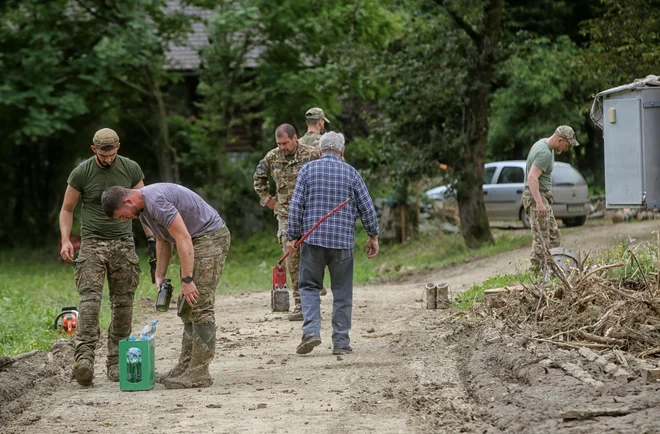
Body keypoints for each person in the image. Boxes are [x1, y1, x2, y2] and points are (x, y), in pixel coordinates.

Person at [101, 183, 230, 389]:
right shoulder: (143, 211)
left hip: (209, 238)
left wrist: (187, 281)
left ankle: (199, 373)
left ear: (128, 201)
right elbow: (163, 239)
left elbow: (183, 237)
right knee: (186, 307)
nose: (125, 220)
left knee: (199, 303)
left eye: (122, 215)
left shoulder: (156, 201)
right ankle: (185, 366)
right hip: (194, 240)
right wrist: (160, 274)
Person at [59, 128, 153, 386]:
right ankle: (84, 360)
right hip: (92, 243)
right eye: (103, 153)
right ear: (94, 150)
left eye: (112, 153)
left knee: (123, 304)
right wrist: (66, 239)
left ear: (118, 147)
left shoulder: (131, 169)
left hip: (124, 243)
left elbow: (143, 206)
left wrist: (152, 237)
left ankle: (116, 362)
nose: (108, 158)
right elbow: (67, 209)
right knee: (90, 301)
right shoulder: (82, 172)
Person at [286, 132, 379, 355]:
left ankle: (311, 332)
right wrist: (372, 235)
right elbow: (367, 207)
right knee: (342, 292)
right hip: (342, 244)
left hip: (313, 241)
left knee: (309, 287)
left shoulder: (307, 170)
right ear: (342, 151)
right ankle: (341, 342)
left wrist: (292, 236)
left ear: (320, 151)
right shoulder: (352, 173)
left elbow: (296, 205)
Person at [253, 124, 320, 321]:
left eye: (285, 142)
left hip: (310, 213)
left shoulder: (312, 154)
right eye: (278, 143)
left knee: (315, 254)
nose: (282, 147)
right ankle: (300, 304)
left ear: (295, 138)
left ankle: (313, 296)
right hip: (285, 215)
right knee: (291, 257)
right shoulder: (271, 157)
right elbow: (258, 178)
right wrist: (268, 200)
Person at [523, 125, 580, 272]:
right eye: (566, 144)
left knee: (554, 236)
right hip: (536, 197)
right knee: (542, 239)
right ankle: (535, 273)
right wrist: (539, 203)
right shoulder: (544, 153)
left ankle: (552, 270)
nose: (566, 148)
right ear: (560, 139)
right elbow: (532, 177)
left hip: (542, 196)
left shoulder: (545, 145)